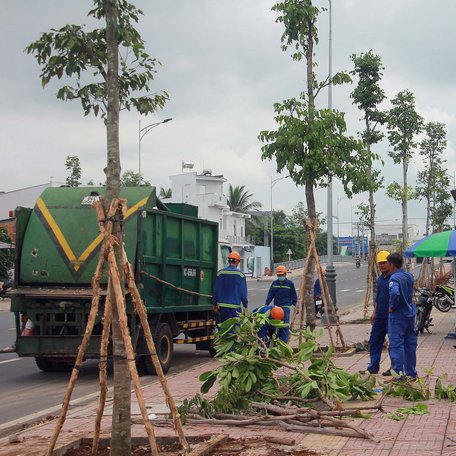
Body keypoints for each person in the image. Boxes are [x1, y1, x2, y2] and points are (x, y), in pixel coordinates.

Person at [387, 252, 417, 379]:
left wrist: (392, 306)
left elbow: (394, 293)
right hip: (410, 314)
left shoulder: (394, 278)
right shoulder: (409, 276)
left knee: (396, 345)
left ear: (392, 265)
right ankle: (411, 373)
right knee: (410, 344)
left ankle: (398, 374)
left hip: (398, 315)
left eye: (387, 263)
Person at [364, 250, 392, 375]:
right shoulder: (381, 279)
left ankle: (394, 368)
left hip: (391, 316)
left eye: (384, 263)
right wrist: (374, 313)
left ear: (390, 263)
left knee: (393, 343)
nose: (382, 265)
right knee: (375, 341)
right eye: (380, 263)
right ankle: (373, 366)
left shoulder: (394, 278)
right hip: (379, 316)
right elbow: (378, 298)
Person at [211, 251, 248, 324]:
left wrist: (214, 303)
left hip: (222, 308)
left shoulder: (220, 273)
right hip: (235, 309)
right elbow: (243, 294)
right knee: (234, 330)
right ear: (237, 262)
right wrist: (245, 306)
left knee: (222, 329)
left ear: (229, 261)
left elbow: (216, 290)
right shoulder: (240, 275)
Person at [264, 265, 297, 342]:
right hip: (276, 308)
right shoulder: (274, 283)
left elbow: (293, 296)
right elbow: (270, 294)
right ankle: (274, 341)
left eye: (281, 275)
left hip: (286, 307)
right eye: (278, 275)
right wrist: (266, 304)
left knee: (284, 326)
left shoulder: (290, 284)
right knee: (275, 325)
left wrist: (296, 305)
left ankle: (283, 342)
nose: (280, 276)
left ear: (285, 274)